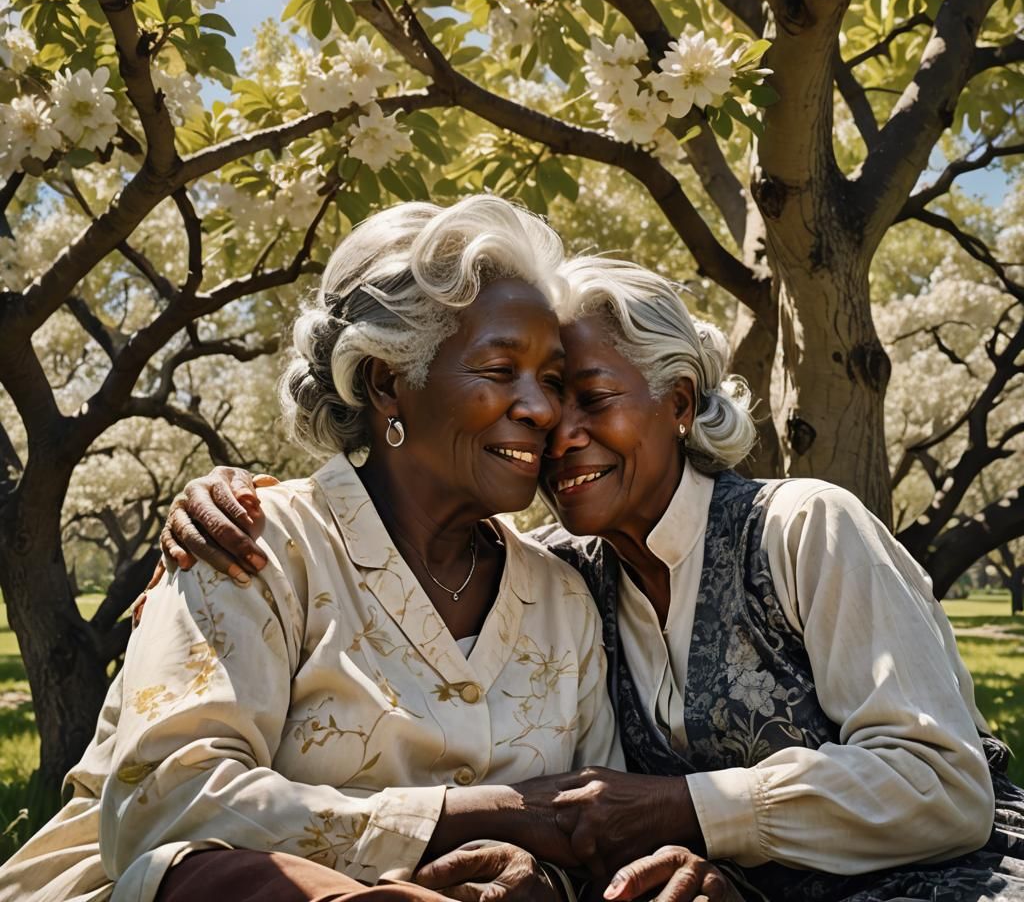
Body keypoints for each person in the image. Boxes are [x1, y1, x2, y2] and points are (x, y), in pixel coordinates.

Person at [165, 255, 1024, 901]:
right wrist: (232, 514)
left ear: (680, 402)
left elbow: (943, 788)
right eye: (537, 392)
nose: (552, 428)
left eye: (590, 396)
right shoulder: (568, 579)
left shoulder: (802, 528)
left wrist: (689, 807)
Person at [0, 197, 637, 902]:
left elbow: (591, 830)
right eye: (499, 370)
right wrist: (472, 818)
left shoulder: (562, 596)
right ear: (387, 383)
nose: (543, 409)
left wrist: (540, 875)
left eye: (550, 379)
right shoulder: (251, 543)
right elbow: (166, 803)